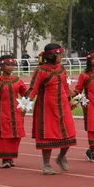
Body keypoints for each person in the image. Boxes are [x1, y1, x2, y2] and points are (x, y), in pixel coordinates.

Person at [26, 43, 76, 175]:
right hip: (46, 108)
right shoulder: (40, 70)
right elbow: (33, 88)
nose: (61, 56)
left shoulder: (62, 69)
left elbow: (65, 87)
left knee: (70, 134)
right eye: (59, 54)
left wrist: (70, 100)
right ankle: (46, 164)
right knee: (47, 137)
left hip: (63, 106)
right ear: (51, 55)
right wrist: (25, 103)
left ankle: (60, 157)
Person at [0, 55, 28, 168]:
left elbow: (26, 95)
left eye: (12, 65)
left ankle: (11, 157)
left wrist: (25, 106)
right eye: (7, 65)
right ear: (2, 66)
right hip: (2, 112)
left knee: (15, 135)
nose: (10, 67)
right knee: (3, 135)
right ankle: (5, 159)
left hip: (16, 112)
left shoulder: (18, 80)